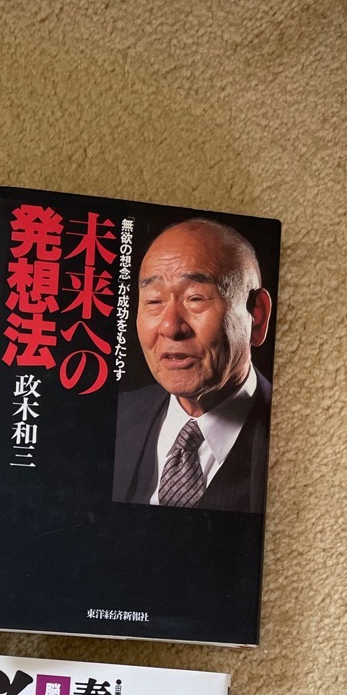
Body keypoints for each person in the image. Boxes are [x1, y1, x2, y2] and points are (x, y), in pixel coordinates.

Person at [111, 217, 273, 512]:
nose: (171, 327)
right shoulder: (115, 417)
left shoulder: (289, 437)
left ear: (257, 316)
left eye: (195, 298)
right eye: (154, 301)